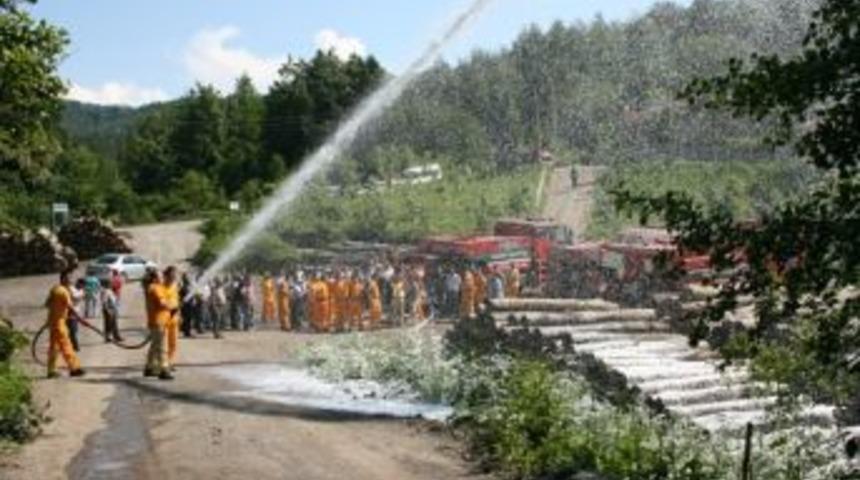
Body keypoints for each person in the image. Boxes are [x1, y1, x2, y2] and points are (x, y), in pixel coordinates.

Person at [45, 272, 85, 378]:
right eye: (69, 278)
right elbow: (70, 307)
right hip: (59, 322)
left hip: (52, 322)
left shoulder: (54, 289)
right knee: (66, 345)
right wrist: (81, 319)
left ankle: (51, 371)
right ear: (63, 279)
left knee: (54, 347)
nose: (71, 280)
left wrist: (55, 311)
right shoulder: (63, 291)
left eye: (71, 278)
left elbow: (47, 304)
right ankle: (74, 368)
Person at [144, 269, 175, 380]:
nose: (163, 278)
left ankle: (149, 367)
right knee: (162, 347)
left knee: (154, 345)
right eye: (160, 276)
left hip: (157, 321)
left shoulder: (153, 287)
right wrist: (172, 306)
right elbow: (162, 303)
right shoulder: (156, 288)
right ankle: (164, 369)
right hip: (159, 322)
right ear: (155, 278)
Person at [163, 267, 181, 370]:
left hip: (174, 319)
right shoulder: (161, 287)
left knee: (173, 343)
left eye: (175, 275)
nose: (174, 277)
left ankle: (170, 361)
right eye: (172, 275)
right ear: (167, 275)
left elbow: (177, 301)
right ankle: (164, 363)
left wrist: (179, 315)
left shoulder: (175, 286)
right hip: (164, 320)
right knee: (164, 344)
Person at [68, 278, 84, 352]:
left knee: (74, 331)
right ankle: (73, 346)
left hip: (75, 313)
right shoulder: (71, 288)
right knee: (70, 331)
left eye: (83, 285)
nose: (81, 286)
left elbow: (74, 297)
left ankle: (75, 346)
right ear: (78, 283)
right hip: (69, 312)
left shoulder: (81, 291)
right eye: (81, 285)